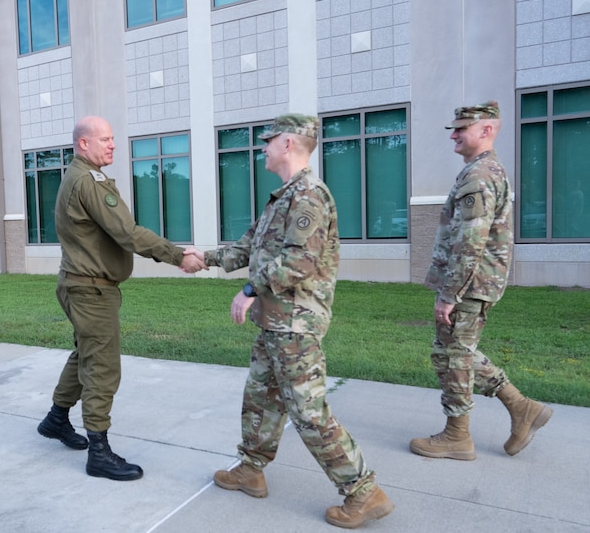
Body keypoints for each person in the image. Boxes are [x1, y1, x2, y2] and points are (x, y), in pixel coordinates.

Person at [188, 114, 394, 529]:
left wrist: (248, 292)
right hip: (274, 322)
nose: (262, 148)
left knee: (308, 411)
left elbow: (298, 263)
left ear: (287, 144)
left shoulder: (309, 196)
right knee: (261, 398)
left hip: (296, 324)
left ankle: (362, 490)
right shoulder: (283, 197)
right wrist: (202, 259)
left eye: (268, 142)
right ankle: (251, 468)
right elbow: (251, 246)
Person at [37, 115, 207, 482]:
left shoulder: (78, 176)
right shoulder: (90, 181)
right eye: (105, 139)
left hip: (79, 283)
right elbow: (128, 234)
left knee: (86, 353)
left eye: (113, 138)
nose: (112, 144)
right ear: (84, 144)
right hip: (91, 289)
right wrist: (178, 256)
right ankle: (99, 451)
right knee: (102, 366)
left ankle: (56, 418)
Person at [410, 101, 553, 461]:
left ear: (487, 130)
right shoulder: (482, 171)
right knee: (453, 352)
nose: (453, 135)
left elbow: (471, 240)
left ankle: (458, 436)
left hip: (469, 284)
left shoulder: (480, 175)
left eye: (461, 129)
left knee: (454, 356)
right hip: (474, 282)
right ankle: (522, 408)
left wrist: (450, 293)